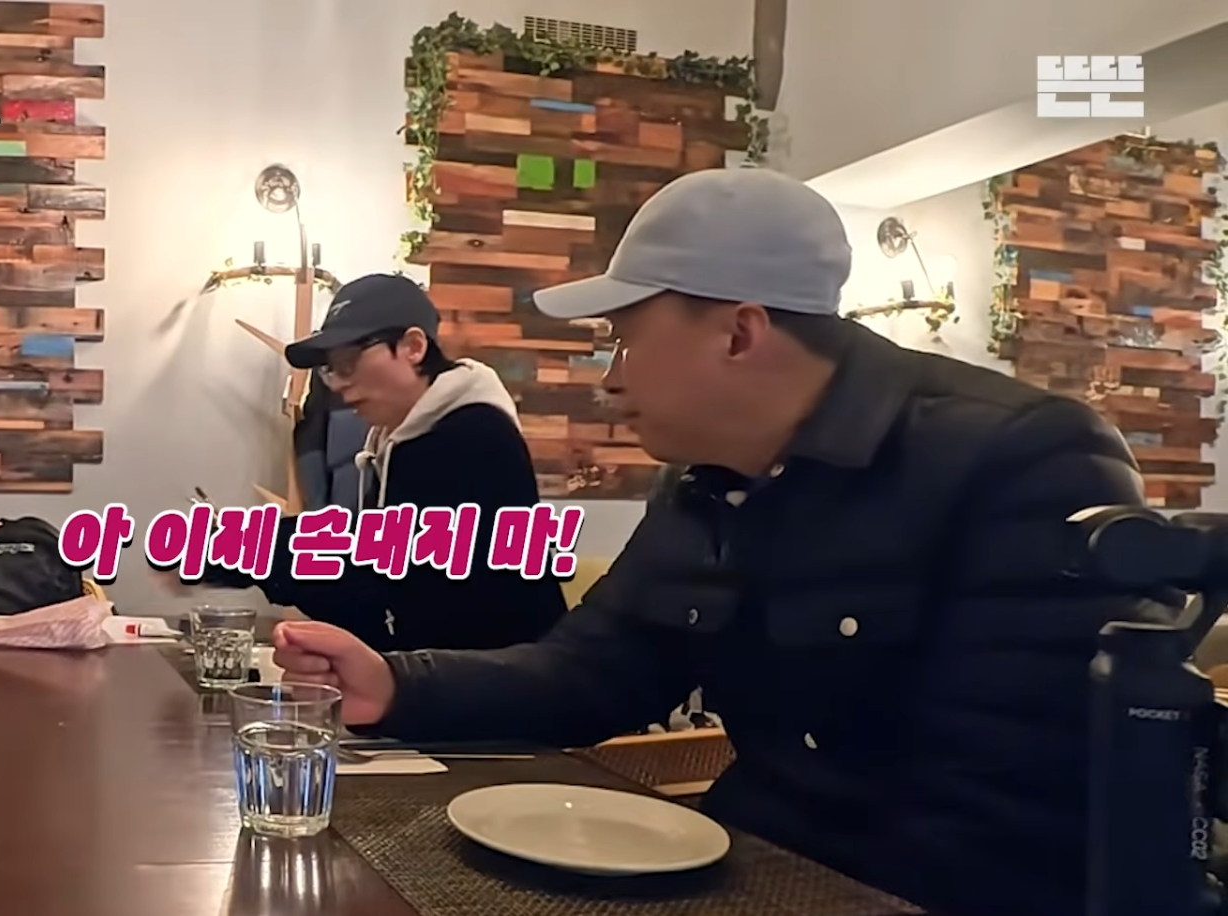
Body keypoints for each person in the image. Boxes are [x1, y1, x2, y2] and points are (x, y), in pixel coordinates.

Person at [271, 170, 1158, 916]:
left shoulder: (1022, 458)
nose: (611, 380)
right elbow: (592, 671)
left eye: (623, 341)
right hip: (748, 864)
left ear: (739, 332)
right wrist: (397, 683)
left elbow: (1010, 816)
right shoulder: (705, 478)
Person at [186, 273, 567, 651]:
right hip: (454, 672)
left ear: (413, 347)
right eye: (330, 369)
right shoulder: (398, 440)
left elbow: (380, 573)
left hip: (506, 679)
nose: (338, 384)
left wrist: (236, 550)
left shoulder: (471, 435)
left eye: (349, 362)